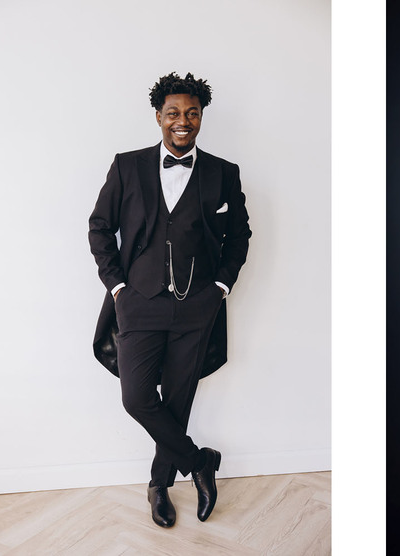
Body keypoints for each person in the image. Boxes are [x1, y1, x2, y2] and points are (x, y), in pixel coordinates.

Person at [88, 72, 251, 528]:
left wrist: (220, 288)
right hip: (138, 301)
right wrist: (117, 287)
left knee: (178, 401)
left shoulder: (223, 172)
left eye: (192, 113)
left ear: (201, 117)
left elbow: (239, 236)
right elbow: (99, 227)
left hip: (197, 306)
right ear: (159, 117)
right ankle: (199, 461)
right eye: (174, 113)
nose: (184, 121)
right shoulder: (127, 166)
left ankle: (158, 486)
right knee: (137, 397)